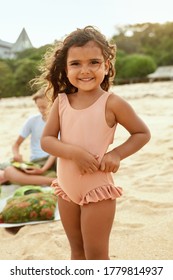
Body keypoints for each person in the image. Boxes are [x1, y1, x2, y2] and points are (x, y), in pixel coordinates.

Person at [38, 26, 151, 260]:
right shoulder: (61, 102)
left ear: (106, 66)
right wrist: (73, 153)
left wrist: (117, 154)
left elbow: (141, 133)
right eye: (76, 64)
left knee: (96, 256)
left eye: (94, 62)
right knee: (77, 252)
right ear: (65, 68)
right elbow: (47, 141)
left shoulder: (112, 103)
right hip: (66, 190)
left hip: (97, 190)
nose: (85, 70)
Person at [4, 88, 56, 186]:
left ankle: (44, 180)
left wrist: (43, 169)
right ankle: (51, 180)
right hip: (36, 162)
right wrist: (16, 155)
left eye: (44, 107)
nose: (41, 110)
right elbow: (16, 144)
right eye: (39, 107)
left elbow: (56, 151)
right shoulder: (32, 120)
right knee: (8, 171)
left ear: (53, 104)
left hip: (53, 161)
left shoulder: (59, 121)